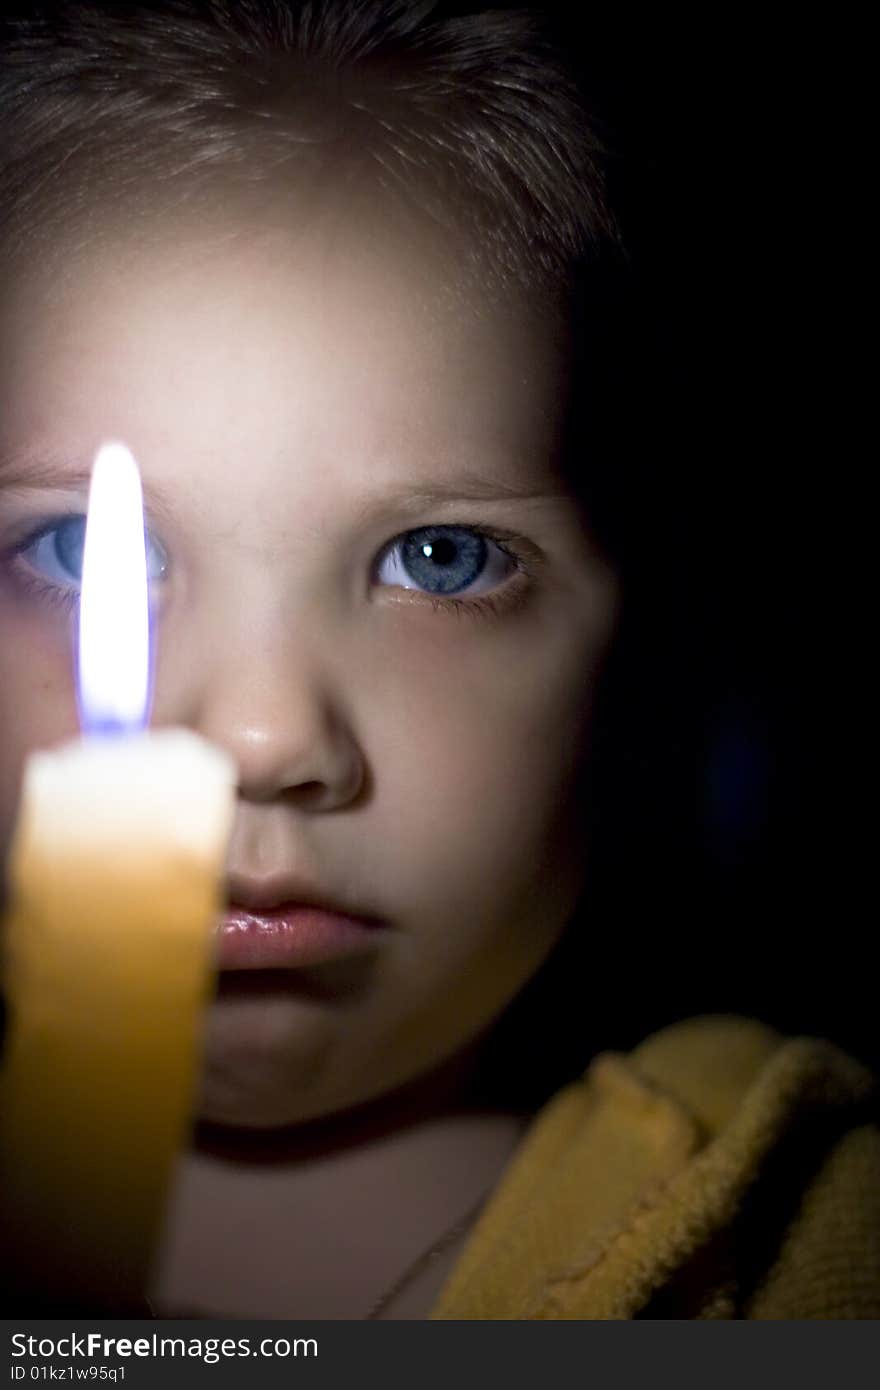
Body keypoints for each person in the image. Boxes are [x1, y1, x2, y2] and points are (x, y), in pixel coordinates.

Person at [0, 0, 876, 1320]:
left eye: (440, 559)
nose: (263, 736)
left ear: (634, 657)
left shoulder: (788, 1246)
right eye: (75, 549)